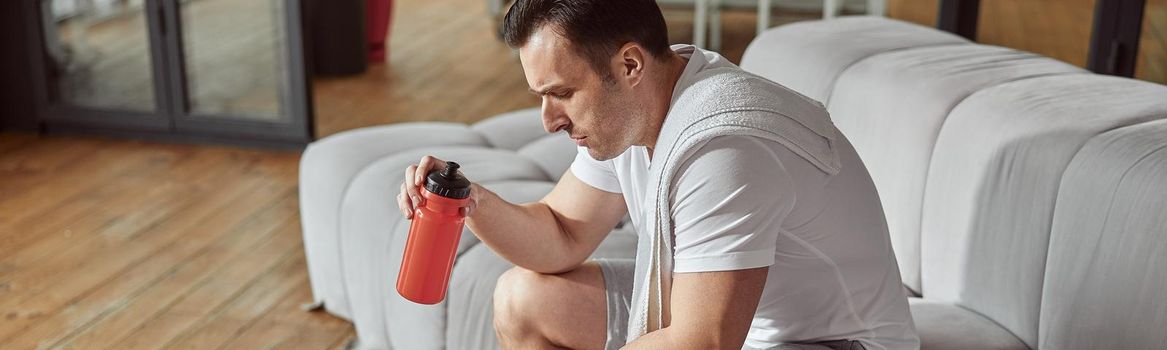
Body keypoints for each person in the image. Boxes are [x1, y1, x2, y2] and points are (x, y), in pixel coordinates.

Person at [396, 0, 918, 349]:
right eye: (541, 97)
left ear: (628, 65)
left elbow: (702, 342)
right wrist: (467, 200)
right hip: (733, 323)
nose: (550, 120)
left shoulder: (724, 145)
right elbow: (560, 233)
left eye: (561, 93)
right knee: (524, 299)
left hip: (836, 342)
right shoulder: (632, 111)